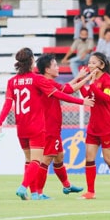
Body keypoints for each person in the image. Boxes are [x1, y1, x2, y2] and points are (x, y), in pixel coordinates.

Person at [0, 48, 94, 200]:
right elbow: (61, 93)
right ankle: (28, 188)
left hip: (21, 126)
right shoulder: (37, 79)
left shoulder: (12, 81)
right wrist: (82, 101)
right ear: (31, 62)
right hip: (38, 126)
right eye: (54, 65)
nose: (57, 67)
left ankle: (40, 191)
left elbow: (8, 103)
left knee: (34, 160)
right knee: (40, 160)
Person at [35, 53, 88, 198]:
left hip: (54, 127)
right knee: (46, 159)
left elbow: (66, 87)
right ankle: (38, 192)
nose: (58, 68)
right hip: (49, 128)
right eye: (55, 65)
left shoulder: (48, 82)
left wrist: (79, 77)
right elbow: (69, 90)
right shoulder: (47, 83)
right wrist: (88, 78)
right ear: (47, 69)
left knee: (59, 157)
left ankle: (67, 186)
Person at [77, 51, 110, 199]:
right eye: (89, 62)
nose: (90, 65)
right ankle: (90, 192)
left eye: (93, 62)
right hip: (94, 126)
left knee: (108, 159)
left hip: (107, 125)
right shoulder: (92, 80)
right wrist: (81, 83)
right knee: (89, 157)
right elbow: (87, 96)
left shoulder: (107, 80)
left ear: (102, 65)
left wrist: (92, 86)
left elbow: (106, 98)